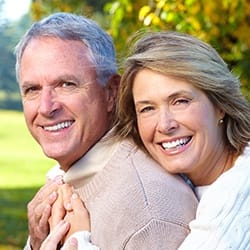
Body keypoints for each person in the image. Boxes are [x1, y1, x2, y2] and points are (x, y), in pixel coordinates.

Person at [15, 13, 198, 250]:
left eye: (66, 84)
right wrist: (37, 243)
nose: (46, 107)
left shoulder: (149, 213)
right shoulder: (69, 182)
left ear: (111, 92)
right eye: (32, 89)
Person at [115, 31, 250, 249]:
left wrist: (79, 239)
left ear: (220, 105)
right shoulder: (197, 175)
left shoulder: (238, 190)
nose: (165, 124)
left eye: (180, 101)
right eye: (148, 108)